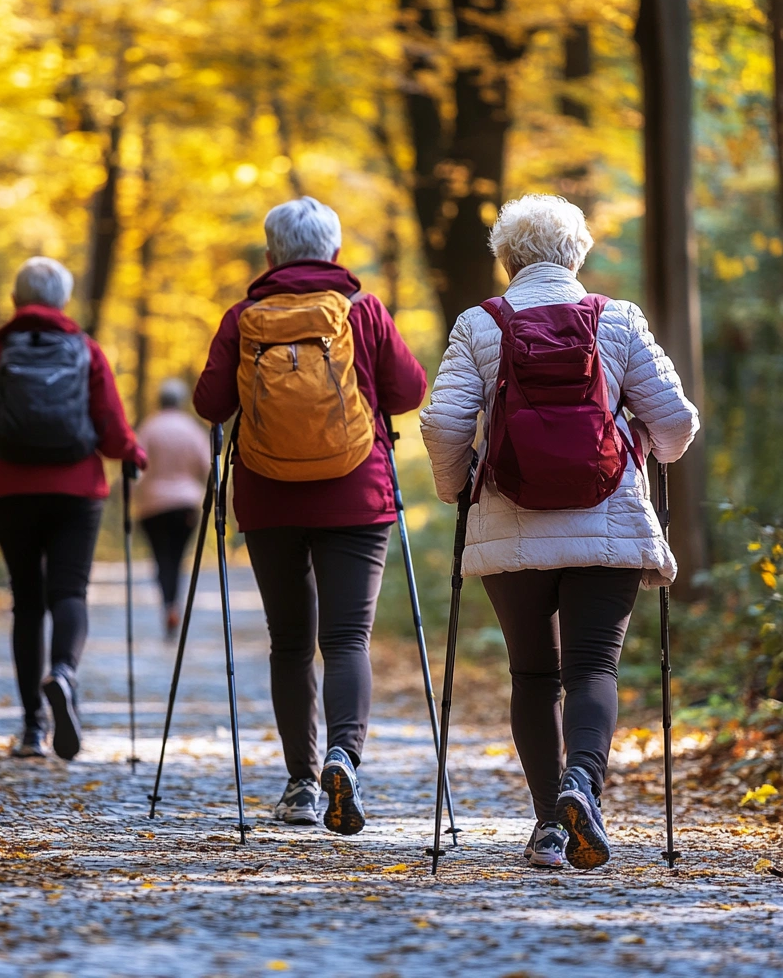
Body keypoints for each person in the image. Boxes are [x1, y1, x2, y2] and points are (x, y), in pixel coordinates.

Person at [420, 194, 700, 870]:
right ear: (577, 253)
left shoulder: (479, 324)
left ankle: (550, 826)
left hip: (510, 522)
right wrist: (649, 450)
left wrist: (455, 487)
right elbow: (677, 419)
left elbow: (442, 424)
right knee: (592, 666)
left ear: (507, 259)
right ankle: (584, 785)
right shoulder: (619, 319)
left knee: (533, 674)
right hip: (606, 517)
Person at [194, 196, 427, 835]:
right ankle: (343, 757)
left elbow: (210, 403)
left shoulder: (244, 318)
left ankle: (299, 785)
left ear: (271, 255)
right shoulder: (363, 311)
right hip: (357, 493)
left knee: (291, 641)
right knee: (347, 639)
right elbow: (409, 391)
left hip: (269, 498)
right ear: (334, 252)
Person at [0, 257, 147, 761]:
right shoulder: (85, 352)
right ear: (63, 300)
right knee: (69, 592)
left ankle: (30, 730)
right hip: (76, 489)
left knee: (26, 599)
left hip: (9, 490)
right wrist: (131, 454)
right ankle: (62, 672)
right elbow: (109, 424)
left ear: (18, 301)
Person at [134, 378, 210, 639]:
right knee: (177, 559)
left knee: (161, 559)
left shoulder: (149, 428)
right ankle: (174, 604)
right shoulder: (192, 429)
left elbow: (137, 466)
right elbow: (208, 468)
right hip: (186, 505)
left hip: (153, 506)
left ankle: (168, 605)